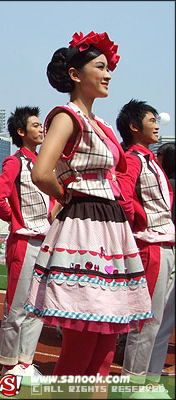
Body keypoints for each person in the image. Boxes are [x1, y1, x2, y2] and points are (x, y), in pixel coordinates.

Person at [24, 31, 153, 377]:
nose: (109, 73)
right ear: (76, 75)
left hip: (109, 227)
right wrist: (70, 196)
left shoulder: (102, 124)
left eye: (109, 66)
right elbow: (41, 172)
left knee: (107, 340)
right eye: (101, 66)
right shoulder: (67, 117)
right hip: (85, 226)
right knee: (84, 335)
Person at [0, 106, 54, 379]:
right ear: (21, 132)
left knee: (39, 304)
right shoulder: (15, 162)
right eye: (36, 125)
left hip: (46, 241)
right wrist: (17, 220)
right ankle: (8, 362)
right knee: (17, 306)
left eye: (42, 125)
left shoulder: (44, 163)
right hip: (25, 242)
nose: (42, 129)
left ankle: (25, 362)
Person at [116, 101, 174, 393]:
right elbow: (123, 198)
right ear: (134, 127)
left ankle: (151, 380)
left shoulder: (151, 161)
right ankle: (134, 382)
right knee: (146, 320)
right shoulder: (132, 159)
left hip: (167, 245)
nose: (157, 124)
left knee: (162, 321)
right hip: (150, 247)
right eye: (151, 120)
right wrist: (141, 222)